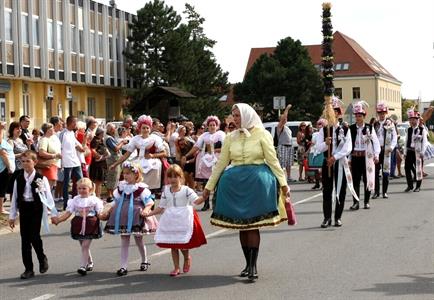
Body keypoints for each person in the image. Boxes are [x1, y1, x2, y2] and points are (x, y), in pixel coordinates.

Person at [202, 103, 289, 282]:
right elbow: (221, 164)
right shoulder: (230, 137)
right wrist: (208, 187)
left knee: (252, 225)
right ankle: (247, 264)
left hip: (256, 183)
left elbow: (273, 161)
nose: (235, 118)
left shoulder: (262, 134)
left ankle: (253, 266)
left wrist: (283, 184)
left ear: (247, 115)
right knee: (242, 225)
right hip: (235, 184)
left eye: (238, 115)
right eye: (233, 115)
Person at [145, 164, 207, 276]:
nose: (172, 179)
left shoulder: (186, 190)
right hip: (171, 219)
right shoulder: (166, 191)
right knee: (173, 245)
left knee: (183, 244)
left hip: (184, 218)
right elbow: (161, 207)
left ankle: (187, 258)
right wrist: (149, 213)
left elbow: (196, 201)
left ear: (181, 177)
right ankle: (176, 267)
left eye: (175, 176)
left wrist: (204, 196)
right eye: (170, 176)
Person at [104, 162, 156, 276]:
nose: (125, 176)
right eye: (124, 173)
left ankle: (144, 260)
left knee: (139, 240)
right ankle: (123, 266)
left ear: (136, 175)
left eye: (128, 174)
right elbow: (116, 201)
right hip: (122, 217)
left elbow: (149, 201)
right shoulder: (121, 187)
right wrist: (108, 210)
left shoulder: (141, 189)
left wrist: (147, 209)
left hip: (136, 217)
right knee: (124, 239)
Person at [8, 150, 53, 279]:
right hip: (24, 208)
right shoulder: (18, 178)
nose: (25, 164)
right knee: (24, 240)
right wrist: (12, 216)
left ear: (35, 162)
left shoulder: (41, 178)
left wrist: (51, 212)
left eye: (28, 161)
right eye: (23, 162)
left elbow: (48, 197)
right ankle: (28, 269)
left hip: (36, 209)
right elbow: (15, 197)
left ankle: (41, 257)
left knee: (34, 236)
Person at [51, 178, 104, 276]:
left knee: (85, 245)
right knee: (83, 245)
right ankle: (90, 262)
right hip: (78, 224)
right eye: (79, 188)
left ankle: (82, 266)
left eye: (84, 188)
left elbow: (100, 213)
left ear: (90, 189)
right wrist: (58, 220)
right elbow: (68, 213)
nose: (81, 191)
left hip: (90, 224)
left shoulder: (94, 200)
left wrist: (106, 216)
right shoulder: (75, 200)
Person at [316, 97, 353, 227]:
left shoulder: (345, 129)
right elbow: (318, 148)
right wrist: (326, 144)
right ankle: (327, 217)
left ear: (339, 113)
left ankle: (337, 217)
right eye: (331, 111)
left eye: (335, 111)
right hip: (327, 163)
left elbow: (348, 148)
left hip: (339, 163)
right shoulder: (324, 129)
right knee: (327, 190)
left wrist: (335, 157)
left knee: (340, 190)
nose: (333, 114)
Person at [109, 115, 167, 191]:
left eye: (147, 128)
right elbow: (127, 154)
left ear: (150, 128)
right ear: (140, 128)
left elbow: (164, 153)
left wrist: (152, 155)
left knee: (154, 171)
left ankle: (152, 192)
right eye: (143, 128)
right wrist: (115, 164)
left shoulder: (154, 138)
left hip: (152, 162)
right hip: (139, 161)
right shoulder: (135, 139)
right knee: (136, 174)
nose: (145, 130)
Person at [183, 116, 226, 211]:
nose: (212, 127)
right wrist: (186, 156)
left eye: (214, 125)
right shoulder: (204, 136)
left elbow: (226, 147)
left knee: (216, 182)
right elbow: (196, 147)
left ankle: (215, 203)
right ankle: (206, 203)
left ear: (217, 126)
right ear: (207, 126)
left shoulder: (221, 134)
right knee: (206, 183)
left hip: (216, 159)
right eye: (210, 125)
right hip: (205, 160)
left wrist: (214, 150)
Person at [349, 101, 380, 210]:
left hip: (367, 157)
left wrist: (376, 155)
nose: (358, 118)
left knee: (367, 179)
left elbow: (375, 142)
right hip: (355, 157)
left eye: (360, 116)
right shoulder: (351, 128)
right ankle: (356, 202)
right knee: (355, 180)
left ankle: (366, 201)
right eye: (356, 116)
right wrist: (348, 158)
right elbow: (348, 144)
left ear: (364, 116)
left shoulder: (369, 128)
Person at [372, 102, 397, 199]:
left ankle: (384, 192)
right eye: (380, 113)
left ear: (386, 113)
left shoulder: (390, 123)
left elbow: (394, 137)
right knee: (375, 172)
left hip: (386, 150)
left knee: (385, 172)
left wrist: (392, 147)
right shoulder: (375, 124)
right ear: (378, 114)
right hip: (377, 151)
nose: (381, 115)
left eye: (383, 113)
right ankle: (376, 192)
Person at [60, 116, 84, 210]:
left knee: (81, 180)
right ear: (70, 122)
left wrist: (80, 148)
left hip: (75, 161)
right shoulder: (63, 134)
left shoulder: (72, 133)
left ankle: (81, 200)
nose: (76, 124)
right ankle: (65, 203)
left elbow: (76, 144)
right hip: (67, 162)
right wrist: (60, 162)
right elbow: (59, 147)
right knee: (66, 183)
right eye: (75, 122)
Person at [404, 109, 428, 192]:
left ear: (417, 120)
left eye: (414, 119)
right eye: (410, 119)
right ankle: (410, 185)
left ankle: (418, 186)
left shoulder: (422, 130)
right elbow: (406, 141)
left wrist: (422, 152)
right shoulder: (409, 129)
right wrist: (405, 152)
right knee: (407, 168)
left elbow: (425, 142)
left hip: (418, 152)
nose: (412, 121)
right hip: (410, 151)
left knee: (418, 169)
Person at [105, 123, 128, 202]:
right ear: (111, 129)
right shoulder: (109, 138)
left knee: (115, 178)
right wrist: (123, 142)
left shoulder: (110, 137)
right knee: (112, 177)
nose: (115, 130)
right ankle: (110, 195)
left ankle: (112, 194)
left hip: (114, 159)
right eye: (114, 129)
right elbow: (115, 148)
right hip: (112, 160)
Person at [37, 123, 62, 189]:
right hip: (47, 166)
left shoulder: (50, 138)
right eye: (52, 128)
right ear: (48, 130)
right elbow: (41, 153)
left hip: (52, 165)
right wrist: (55, 155)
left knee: (50, 187)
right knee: (47, 187)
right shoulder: (44, 139)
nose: (54, 129)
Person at [276, 104, 295, 183]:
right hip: (283, 146)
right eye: (283, 118)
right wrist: (287, 109)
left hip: (289, 146)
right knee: (281, 163)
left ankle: (289, 177)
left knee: (288, 163)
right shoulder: (280, 126)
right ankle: (280, 177)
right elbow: (283, 119)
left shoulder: (287, 127)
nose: (285, 119)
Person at [89, 128, 110, 198]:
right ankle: (96, 198)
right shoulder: (96, 140)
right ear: (100, 133)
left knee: (99, 182)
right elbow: (92, 150)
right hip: (97, 165)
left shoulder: (99, 140)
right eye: (103, 133)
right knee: (97, 182)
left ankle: (97, 197)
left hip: (100, 164)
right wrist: (100, 157)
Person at [0, 121, 15, 214]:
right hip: (4, 168)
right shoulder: (1, 143)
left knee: (2, 189)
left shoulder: (3, 141)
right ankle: (1, 209)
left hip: (4, 167)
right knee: (2, 189)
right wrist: (9, 168)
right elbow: (4, 155)